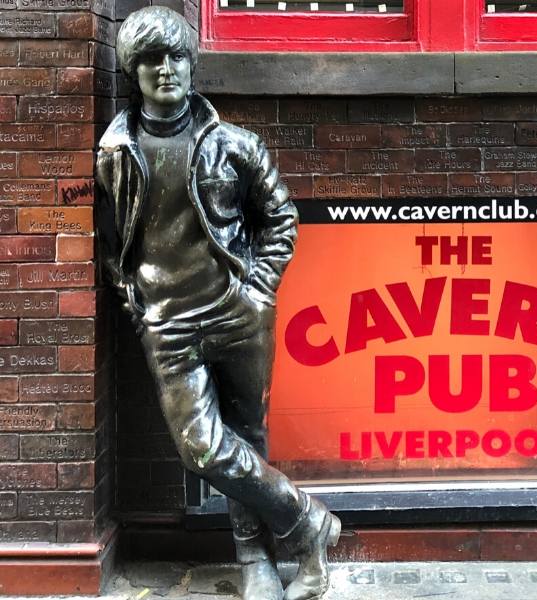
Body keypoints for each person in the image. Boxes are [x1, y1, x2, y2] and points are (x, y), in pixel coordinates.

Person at [95, 7, 339, 600]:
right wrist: (136, 301)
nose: (166, 69)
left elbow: (280, 216)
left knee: (248, 434)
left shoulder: (233, 144)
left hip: (237, 312)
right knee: (202, 446)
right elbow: (109, 242)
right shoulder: (115, 154)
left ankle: (255, 559)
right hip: (168, 324)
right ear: (133, 71)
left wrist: (256, 290)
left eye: (176, 56)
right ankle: (309, 522)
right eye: (151, 59)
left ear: (192, 62)